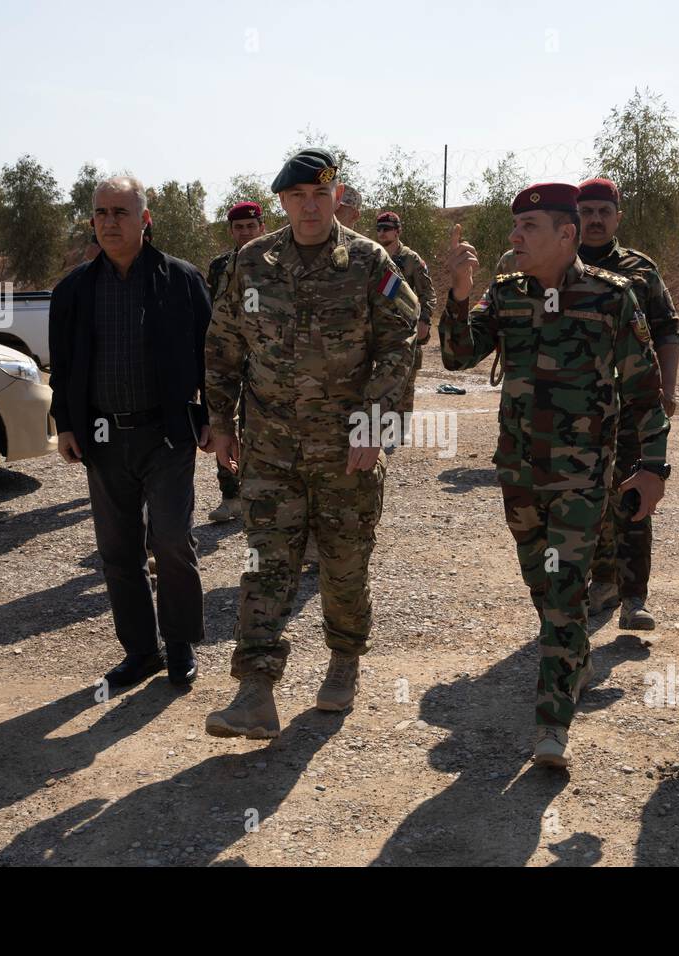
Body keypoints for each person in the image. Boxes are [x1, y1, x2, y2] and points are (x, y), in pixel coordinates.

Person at [440, 183, 669, 768]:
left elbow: (645, 391)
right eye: (515, 227)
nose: (514, 238)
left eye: (529, 227)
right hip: (518, 471)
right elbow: (458, 356)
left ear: (566, 235)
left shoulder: (612, 297)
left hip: (581, 476)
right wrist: (459, 296)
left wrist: (652, 466)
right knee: (544, 588)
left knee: (566, 596)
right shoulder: (506, 294)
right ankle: (573, 661)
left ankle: (551, 726)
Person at [203, 147, 418, 739]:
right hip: (269, 446)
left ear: (338, 197)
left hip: (346, 449)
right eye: (298, 197)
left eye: (321, 196)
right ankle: (254, 690)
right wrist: (221, 423)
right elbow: (222, 346)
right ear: (282, 201)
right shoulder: (251, 263)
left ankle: (344, 658)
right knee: (265, 564)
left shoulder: (369, 262)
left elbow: (400, 345)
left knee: (344, 569)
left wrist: (376, 425)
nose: (309, 207)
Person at [49, 175, 211, 690]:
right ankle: (141, 652)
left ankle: (180, 644)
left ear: (144, 219)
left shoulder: (181, 280)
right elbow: (64, 363)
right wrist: (66, 426)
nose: (109, 222)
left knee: (171, 540)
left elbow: (212, 355)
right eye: (101, 213)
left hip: (166, 436)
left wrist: (213, 417)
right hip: (101, 438)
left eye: (121, 212)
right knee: (118, 550)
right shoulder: (75, 289)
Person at [563, 177, 679, 630]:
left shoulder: (640, 268)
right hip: (576, 409)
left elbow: (667, 330)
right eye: (587, 211)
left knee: (633, 494)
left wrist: (666, 391)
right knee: (584, 497)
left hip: (632, 403)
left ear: (618, 216)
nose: (594, 220)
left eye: (603, 212)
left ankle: (634, 597)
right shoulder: (558, 263)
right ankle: (602, 581)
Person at [204, 201, 265, 523]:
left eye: (250, 226)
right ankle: (230, 495)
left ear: (261, 228)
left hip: (262, 360)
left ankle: (258, 494)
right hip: (228, 357)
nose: (245, 233)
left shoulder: (275, 264)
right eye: (239, 227)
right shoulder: (219, 267)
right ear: (231, 231)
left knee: (258, 427)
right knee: (222, 424)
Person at [374, 211, 436, 439]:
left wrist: (425, 319)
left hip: (406, 331)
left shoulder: (410, 260)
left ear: (398, 231)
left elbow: (428, 294)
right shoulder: (375, 256)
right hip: (380, 330)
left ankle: (399, 429)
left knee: (406, 382)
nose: (382, 233)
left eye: (387, 229)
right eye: (379, 229)